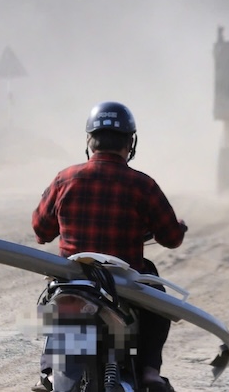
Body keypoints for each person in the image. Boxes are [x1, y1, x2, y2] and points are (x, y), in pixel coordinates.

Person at [32, 101, 187, 392]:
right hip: (123, 286)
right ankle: (150, 372)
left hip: (74, 279)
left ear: (89, 141)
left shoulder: (65, 179)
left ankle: (50, 372)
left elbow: (41, 231)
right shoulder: (142, 185)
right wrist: (178, 227)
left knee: (57, 299)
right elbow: (171, 238)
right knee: (158, 302)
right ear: (131, 143)